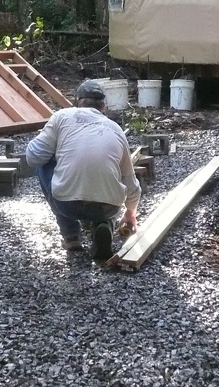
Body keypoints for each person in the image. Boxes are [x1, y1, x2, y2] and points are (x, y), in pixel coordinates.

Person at [23, 79, 142, 262]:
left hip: (66, 205)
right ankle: (103, 224)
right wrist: (130, 214)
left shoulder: (62, 116)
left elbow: (33, 157)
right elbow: (131, 182)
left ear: (78, 101)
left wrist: (57, 150)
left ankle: (71, 237)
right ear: (103, 105)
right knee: (110, 178)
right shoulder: (116, 129)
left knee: (44, 162)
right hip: (107, 207)